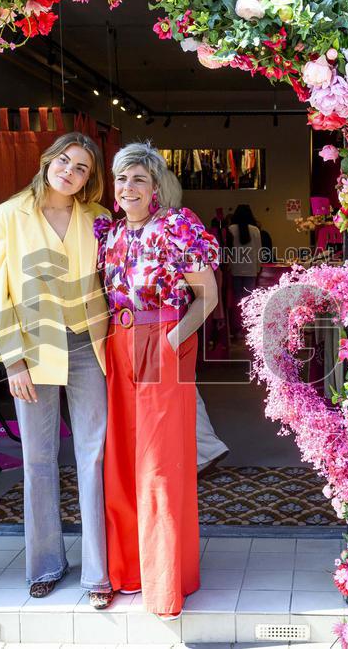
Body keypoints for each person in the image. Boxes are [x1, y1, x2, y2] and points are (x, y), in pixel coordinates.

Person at [0, 132, 114, 608]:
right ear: (47, 161)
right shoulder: (4, 218)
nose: (70, 172)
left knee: (93, 456)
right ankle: (45, 565)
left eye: (81, 168)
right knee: (38, 461)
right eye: (65, 161)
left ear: (88, 180)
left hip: (89, 347)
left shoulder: (99, 219)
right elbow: (0, 294)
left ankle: (99, 571)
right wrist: (12, 359)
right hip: (34, 352)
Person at [95, 142, 220, 618]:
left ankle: (165, 580)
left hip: (158, 339)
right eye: (122, 178)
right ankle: (130, 570)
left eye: (138, 180)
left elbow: (205, 297)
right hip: (117, 341)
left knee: (159, 461)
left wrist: (170, 341)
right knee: (123, 460)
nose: (128, 188)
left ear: (155, 188)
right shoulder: (109, 232)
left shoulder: (175, 226)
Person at [157, 172, 230, 476]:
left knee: (176, 391)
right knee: (181, 390)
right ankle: (206, 449)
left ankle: (203, 450)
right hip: (174, 319)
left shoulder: (177, 224)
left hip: (171, 320)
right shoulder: (165, 222)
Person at [227, 204, 262, 336]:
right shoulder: (255, 230)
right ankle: (248, 328)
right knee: (249, 299)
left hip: (235, 269)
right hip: (251, 270)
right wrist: (258, 268)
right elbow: (259, 251)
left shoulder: (230, 229)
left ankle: (236, 328)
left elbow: (228, 251)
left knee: (237, 300)